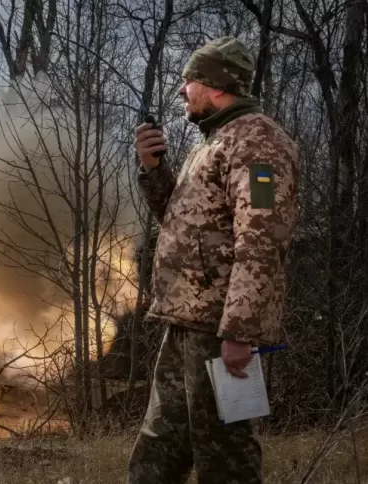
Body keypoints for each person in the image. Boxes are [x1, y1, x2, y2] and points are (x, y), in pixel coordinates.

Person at [127, 36, 298, 484]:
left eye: (189, 82)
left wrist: (240, 332)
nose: (183, 91)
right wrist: (152, 168)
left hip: (219, 331)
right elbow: (182, 223)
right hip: (184, 325)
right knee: (158, 451)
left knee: (224, 459)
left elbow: (262, 239)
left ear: (215, 85)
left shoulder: (258, 144)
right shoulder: (214, 142)